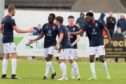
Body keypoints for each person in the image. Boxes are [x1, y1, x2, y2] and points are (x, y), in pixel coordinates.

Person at [70, 12, 111, 80]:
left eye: (88, 18)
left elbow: (106, 30)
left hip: (100, 44)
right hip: (92, 45)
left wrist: (109, 39)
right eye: (86, 18)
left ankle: (107, 74)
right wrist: (71, 32)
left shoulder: (99, 22)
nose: (86, 19)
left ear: (92, 17)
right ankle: (94, 76)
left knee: (101, 58)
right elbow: (79, 32)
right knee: (91, 59)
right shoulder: (86, 25)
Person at [0, 4, 34, 79]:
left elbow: (0, 28)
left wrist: (4, 33)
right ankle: (13, 75)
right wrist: (28, 30)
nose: (15, 12)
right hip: (9, 40)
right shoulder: (11, 20)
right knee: (14, 55)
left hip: (5, 40)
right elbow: (18, 30)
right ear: (12, 10)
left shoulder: (4, 18)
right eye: (15, 10)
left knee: (6, 55)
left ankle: (3, 74)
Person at [29, 13, 58, 80]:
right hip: (46, 45)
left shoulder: (56, 26)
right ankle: (53, 72)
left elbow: (60, 35)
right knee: (47, 60)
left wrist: (59, 44)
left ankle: (45, 76)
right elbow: (41, 35)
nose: (49, 18)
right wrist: (34, 40)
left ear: (53, 19)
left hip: (52, 45)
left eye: (50, 18)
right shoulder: (45, 25)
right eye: (48, 17)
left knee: (48, 58)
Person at [55, 16, 78, 80]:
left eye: (55, 21)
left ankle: (64, 77)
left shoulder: (60, 27)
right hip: (69, 46)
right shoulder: (65, 27)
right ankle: (77, 75)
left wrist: (58, 44)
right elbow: (67, 36)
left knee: (61, 61)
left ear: (58, 21)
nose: (55, 22)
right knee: (71, 61)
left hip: (65, 46)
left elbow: (61, 36)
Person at [66, 15, 80, 80]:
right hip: (67, 48)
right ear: (68, 20)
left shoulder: (76, 27)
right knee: (67, 60)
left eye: (72, 20)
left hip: (74, 47)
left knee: (74, 61)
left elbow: (78, 38)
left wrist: (72, 44)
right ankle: (65, 75)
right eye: (70, 20)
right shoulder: (65, 27)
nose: (71, 21)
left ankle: (73, 75)